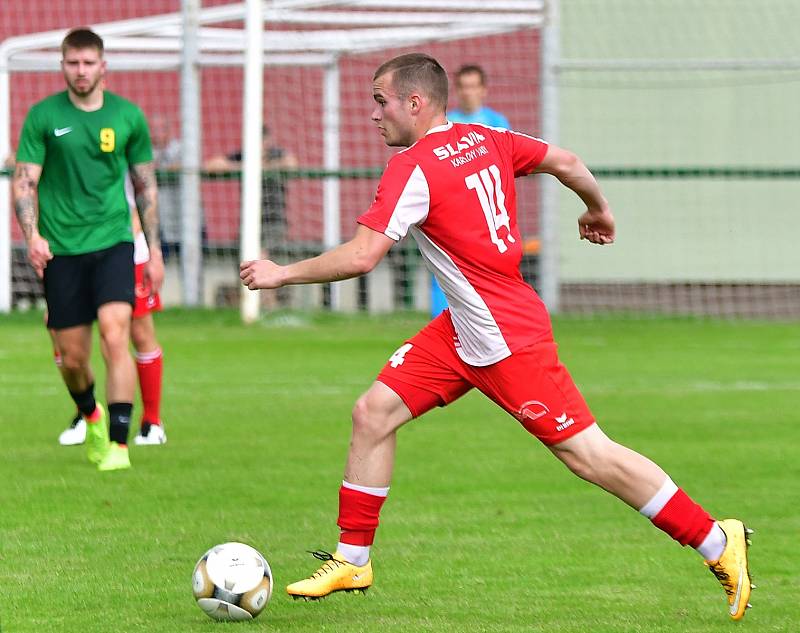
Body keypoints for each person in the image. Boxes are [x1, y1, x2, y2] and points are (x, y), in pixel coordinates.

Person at [239, 53, 753, 619]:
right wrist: (598, 209)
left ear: (416, 103)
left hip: (505, 336)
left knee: (588, 455)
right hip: (462, 327)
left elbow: (363, 256)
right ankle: (353, 559)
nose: (374, 115)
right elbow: (568, 160)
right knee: (373, 413)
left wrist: (282, 273)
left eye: (380, 102)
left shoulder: (413, 167)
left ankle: (716, 540)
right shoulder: (487, 137)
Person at [12, 27, 163, 471]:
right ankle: (91, 414)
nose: (81, 71)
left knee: (116, 334)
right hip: (61, 249)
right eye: (72, 63)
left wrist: (153, 252)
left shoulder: (128, 116)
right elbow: (25, 182)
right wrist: (32, 236)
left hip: (114, 241)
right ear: (63, 66)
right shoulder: (42, 117)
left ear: (103, 66)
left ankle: (119, 443)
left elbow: (145, 186)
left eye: (88, 63)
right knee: (72, 357)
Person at [58, 180, 167, 447]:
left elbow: (143, 190)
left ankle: (151, 422)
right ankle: (87, 413)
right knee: (68, 337)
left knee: (135, 333)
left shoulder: (123, 139)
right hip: (73, 248)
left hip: (124, 249)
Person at [426, 64, 513, 318]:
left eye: (473, 86)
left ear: (483, 90)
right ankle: (442, 325)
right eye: (463, 87)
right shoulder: (444, 123)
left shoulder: (497, 123)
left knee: (490, 276)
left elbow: (504, 168)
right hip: (451, 214)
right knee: (445, 270)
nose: (468, 93)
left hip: (486, 216)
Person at [206, 126, 297, 308]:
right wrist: (248, 168)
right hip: (248, 222)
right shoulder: (243, 156)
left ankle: (268, 304)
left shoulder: (277, 155)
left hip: (274, 221)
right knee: (246, 263)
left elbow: (292, 163)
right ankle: (251, 303)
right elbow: (212, 165)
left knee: (262, 257)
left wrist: (264, 167)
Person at [149, 112, 182, 260]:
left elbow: (183, 166)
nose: (156, 134)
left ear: (168, 130)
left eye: (160, 129)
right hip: (158, 221)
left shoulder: (180, 149)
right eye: (153, 129)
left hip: (183, 217)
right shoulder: (146, 151)